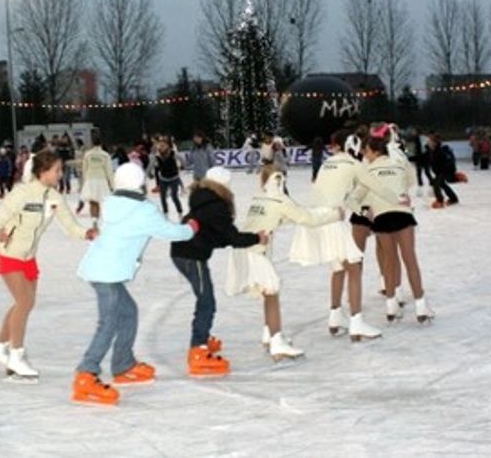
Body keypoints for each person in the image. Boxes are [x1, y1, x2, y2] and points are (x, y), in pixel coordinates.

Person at [71, 163, 198, 406]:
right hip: (107, 272)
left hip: (101, 267)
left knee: (128, 312)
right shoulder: (143, 210)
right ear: (140, 182)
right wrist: (190, 229)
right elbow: (170, 232)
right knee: (108, 322)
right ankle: (86, 374)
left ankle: (123, 363)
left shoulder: (111, 202)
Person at [0, 150, 97, 382]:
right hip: (9, 254)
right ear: (42, 172)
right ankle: (16, 355)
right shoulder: (22, 193)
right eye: (57, 170)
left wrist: (87, 233)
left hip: (29, 258)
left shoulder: (54, 197)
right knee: (24, 303)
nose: (60, 174)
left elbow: (70, 225)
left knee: (23, 304)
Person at [228, 165, 347, 359]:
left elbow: (279, 217)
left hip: (244, 251)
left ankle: (269, 333)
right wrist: (334, 214)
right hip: (255, 252)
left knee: (269, 292)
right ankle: (276, 342)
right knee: (272, 292)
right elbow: (307, 218)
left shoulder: (260, 197)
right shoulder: (279, 199)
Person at [170, 166, 262, 377]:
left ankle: (202, 337)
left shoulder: (202, 198)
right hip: (190, 256)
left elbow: (217, 235)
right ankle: (198, 348)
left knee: (204, 298)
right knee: (206, 301)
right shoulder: (216, 206)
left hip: (184, 251)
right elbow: (232, 237)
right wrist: (257, 238)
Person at [289, 131, 370, 336]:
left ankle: (335, 317)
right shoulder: (353, 164)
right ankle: (357, 321)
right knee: (353, 267)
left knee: (338, 267)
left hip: (318, 218)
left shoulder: (328, 163)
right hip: (333, 218)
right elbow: (359, 192)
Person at [356, 135, 433, 324]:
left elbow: (357, 196)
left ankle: (391, 306)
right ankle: (421, 306)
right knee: (410, 260)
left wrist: (367, 209)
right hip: (402, 213)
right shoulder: (398, 162)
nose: (365, 155)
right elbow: (411, 178)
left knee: (390, 262)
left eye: (367, 151)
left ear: (374, 151)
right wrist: (402, 192)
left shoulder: (367, 169)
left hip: (381, 216)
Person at [77, 138, 114, 220]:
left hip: (90, 179)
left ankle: (94, 220)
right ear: (101, 144)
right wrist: (112, 185)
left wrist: (84, 182)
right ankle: (98, 219)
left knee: (92, 202)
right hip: (101, 180)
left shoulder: (87, 154)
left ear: (92, 144)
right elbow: (109, 171)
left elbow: (84, 169)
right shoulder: (105, 155)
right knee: (100, 201)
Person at [150, 139, 185, 216]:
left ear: (168, 146)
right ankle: (165, 212)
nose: (161, 147)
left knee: (174, 196)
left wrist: (183, 165)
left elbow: (182, 159)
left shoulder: (173, 153)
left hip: (174, 178)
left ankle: (180, 211)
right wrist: (150, 172)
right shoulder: (157, 155)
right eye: (160, 145)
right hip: (163, 179)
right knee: (162, 196)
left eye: (163, 145)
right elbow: (151, 164)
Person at [427, 133, 459, 208]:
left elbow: (449, 161)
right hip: (440, 171)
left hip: (446, 171)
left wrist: (445, 170)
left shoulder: (442, 150)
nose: (428, 143)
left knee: (436, 183)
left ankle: (440, 201)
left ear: (435, 142)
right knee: (442, 184)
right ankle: (453, 199)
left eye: (430, 142)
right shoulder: (433, 151)